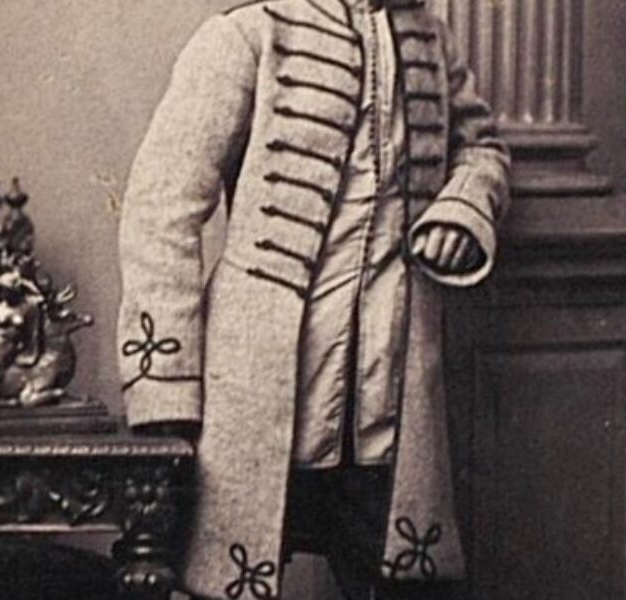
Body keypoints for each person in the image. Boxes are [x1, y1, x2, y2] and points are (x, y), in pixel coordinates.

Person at [117, 0, 510, 597]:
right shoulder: (250, 32)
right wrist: (166, 389)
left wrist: (463, 210)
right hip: (259, 397)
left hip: (389, 394)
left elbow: (482, 148)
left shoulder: (431, 38)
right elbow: (160, 208)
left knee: (403, 584)